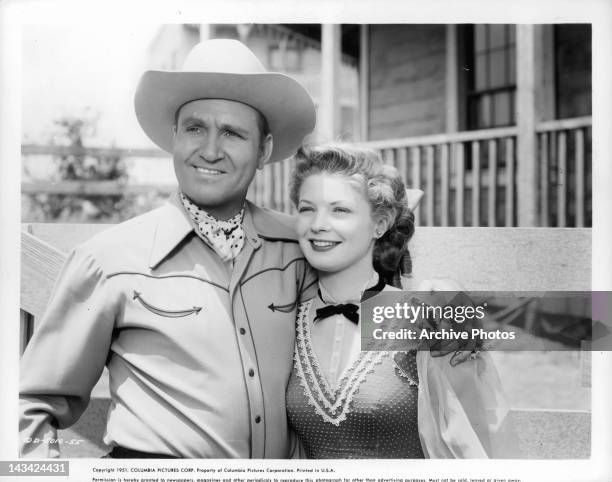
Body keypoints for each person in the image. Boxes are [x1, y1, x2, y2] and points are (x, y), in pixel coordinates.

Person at [20, 39, 317, 459]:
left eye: (232, 132)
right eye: (195, 128)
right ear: (175, 136)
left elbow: (379, 299)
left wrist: (436, 305)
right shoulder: (108, 261)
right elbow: (28, 406)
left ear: (264, 149)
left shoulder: (301, 250)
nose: (210, 150)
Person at [285, 144, 520, 459]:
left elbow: (476, 451)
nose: (317, 224)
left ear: (380, 224)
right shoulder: (286, 321)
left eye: (339, 210)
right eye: (306, 208)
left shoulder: (429, 316)